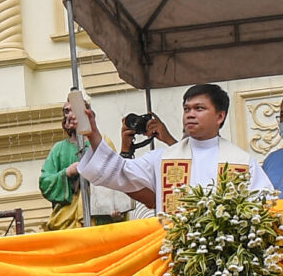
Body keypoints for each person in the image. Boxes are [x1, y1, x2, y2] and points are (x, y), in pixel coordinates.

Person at [67, 83, 262, 212]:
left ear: (220, 116)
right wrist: (93, 133)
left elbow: (263, 208)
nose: (190, 114)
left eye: (199, 109)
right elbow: (119, 172)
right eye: (187, 109)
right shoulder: (163, 158)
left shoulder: (242, 163)